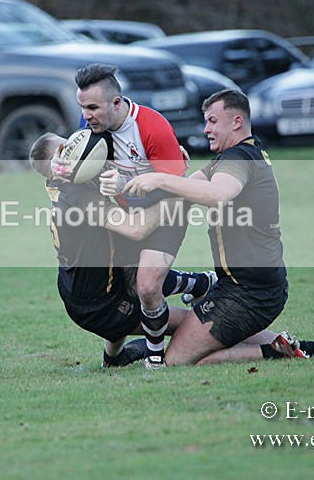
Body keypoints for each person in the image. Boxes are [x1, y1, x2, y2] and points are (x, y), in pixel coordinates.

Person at [123, 88, 314, 365]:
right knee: (203, 337)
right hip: (246, 286)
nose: (206, 129)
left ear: (237, 121)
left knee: (178, 359)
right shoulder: (234, 157)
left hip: (248, 291)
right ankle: (305, 347)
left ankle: (276, 351)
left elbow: (217, 195)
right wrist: (168, 171)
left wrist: (162, 181)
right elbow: (186, 191)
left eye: (213, 121)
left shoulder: (239, 158)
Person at [30, 131, 217, 367]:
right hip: (99, 307)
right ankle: (204, 287)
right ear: (57, 161)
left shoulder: (66, 182)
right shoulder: (77, 197)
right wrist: (182, 192)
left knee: (126, 265)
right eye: (66, 147)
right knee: (198, 324)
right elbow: (137, 228)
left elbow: (127, 170)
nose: (76, 147)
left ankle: (113, 358)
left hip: (81, 288)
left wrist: (163, 164)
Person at [55, 63, 192, 368]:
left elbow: (178, 189)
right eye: (82, 107)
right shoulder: (91, 126)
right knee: (120, 285)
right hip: (128, 214)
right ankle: (201, 286)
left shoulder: (153, 128)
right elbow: (72, 162)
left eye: (92, 107)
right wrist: (58, 165)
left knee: (145, 285)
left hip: (166, 212)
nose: (85, 115)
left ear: (117, 103)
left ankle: (155, 358)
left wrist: (126, 186)